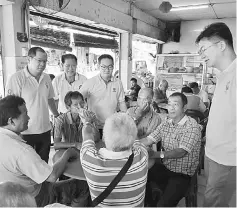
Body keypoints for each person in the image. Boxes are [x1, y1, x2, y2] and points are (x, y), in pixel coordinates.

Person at [0, 95, 80, 207]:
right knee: (82, 185)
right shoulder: (21, 151)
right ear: (11, 121)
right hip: (35, 198)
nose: (28, 118)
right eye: (25, 114)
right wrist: (68, 154)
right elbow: (52, 177)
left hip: (10, 198)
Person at [196, 22, 236, 207]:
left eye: (204, 49)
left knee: (214, 202)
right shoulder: (223, 75)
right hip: (213, 153)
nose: (201, 55)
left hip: (227, 158)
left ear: (221, 45)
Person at [141, 92, 202, 207]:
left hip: (182, 174)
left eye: (176, 104)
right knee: (140, 176)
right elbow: (149, 139)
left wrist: (156, 154)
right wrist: (130, 144)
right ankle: (152, 202)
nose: (171, 108)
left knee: (163, 205)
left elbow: (181, 152)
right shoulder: (166, 122)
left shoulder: (191, 126)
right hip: (166, 167)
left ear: (184, 108)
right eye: (169, 104)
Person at [80, 112, 148, 207]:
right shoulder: (142, 156)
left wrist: (87, 122)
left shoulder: (89, 159)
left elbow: (87, 134)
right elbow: (135, 139)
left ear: (104, 138)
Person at [6, 47, 59, 163]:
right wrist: (14, 131)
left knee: (44, 162)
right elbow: (10, 107)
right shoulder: (17, 78)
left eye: (45, 61)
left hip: (45, 129)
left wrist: (57, 115)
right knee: (26, 165)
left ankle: (44, 182)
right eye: (39, 60)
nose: (42, 64)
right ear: (29, 59)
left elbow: (50, 99)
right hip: (25, 132)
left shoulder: (46, 78)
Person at [79, 54, 127, 136]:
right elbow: (78, 100)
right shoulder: (90, 82)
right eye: (103, 66)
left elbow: (122, 102)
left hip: (112, 125)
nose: (107, 69)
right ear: (98, 66)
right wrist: (84, 114)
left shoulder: (118, 82)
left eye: (110, 66)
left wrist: (126, 119)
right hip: (94, 126)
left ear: (113, 67)